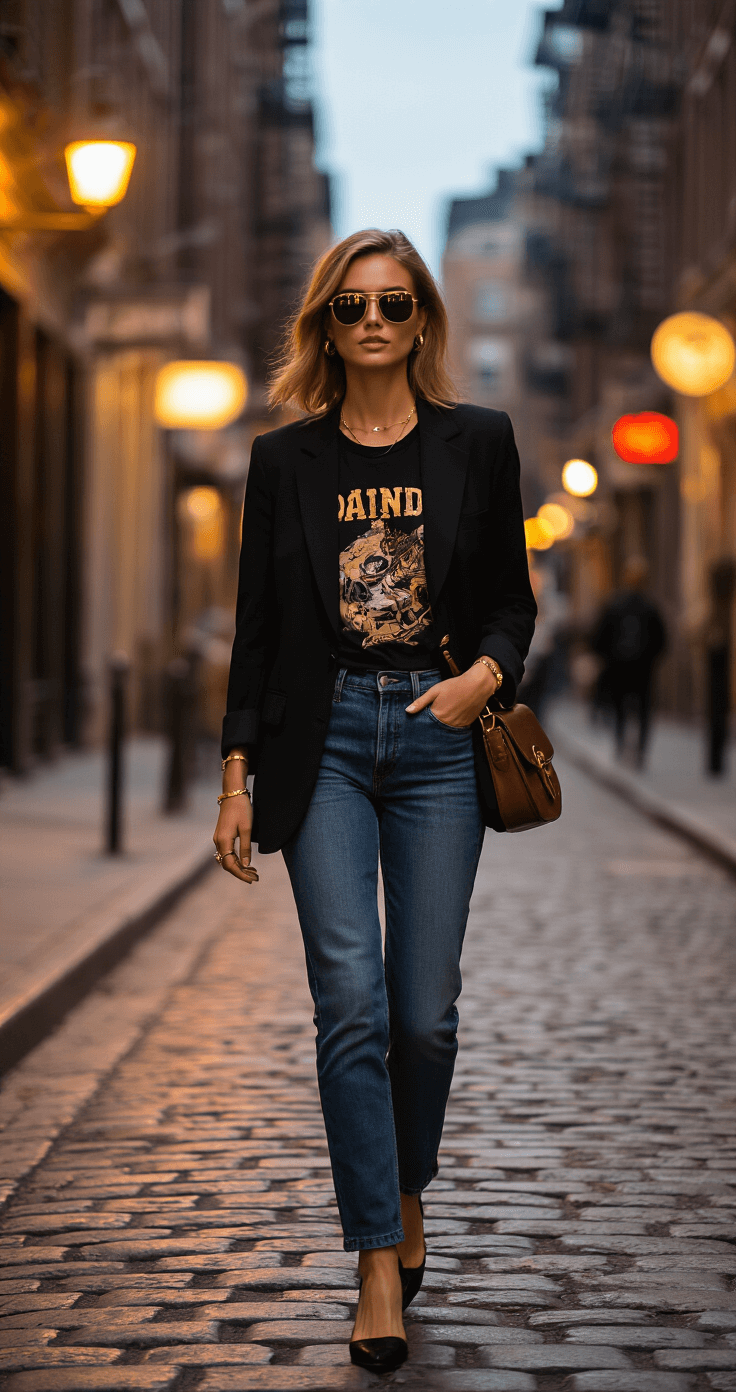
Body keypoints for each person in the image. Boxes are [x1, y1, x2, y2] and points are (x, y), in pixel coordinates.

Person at [213, 228, 536, 1373]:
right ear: (324, 325)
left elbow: (511, 600)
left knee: (421, 1013)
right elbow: (256, 630)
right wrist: (237, 773)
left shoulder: (478, 442)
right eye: (350, 308)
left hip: (437, 738)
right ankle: (371, 1262)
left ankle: (407, 1191)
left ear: (421, 321)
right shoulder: (284, 459)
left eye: (393, 306)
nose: (372, 325)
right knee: (347, 1000)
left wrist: (479, 682)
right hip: (328, 743)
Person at [591, 556, 667, 768]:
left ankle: (621, 745)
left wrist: (607, 657)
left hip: (618, 667)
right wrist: (651, 658)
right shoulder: (651, 607)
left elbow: (599, 637)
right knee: (643, 709)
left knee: (620, 708)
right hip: (643, 668)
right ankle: (640, 750)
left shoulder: (615, 605)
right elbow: (661, 640)